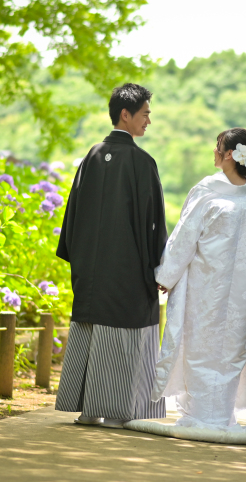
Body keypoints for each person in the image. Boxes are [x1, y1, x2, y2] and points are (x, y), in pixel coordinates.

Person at [54, 83, 168, 428]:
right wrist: (160, 269)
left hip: (90, 271)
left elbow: (71, 217)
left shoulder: (90, 156)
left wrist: (81, 260)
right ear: (126, 114)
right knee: (126, 335)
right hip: (128, 272)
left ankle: (89, 409)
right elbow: (154, 225)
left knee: (92, 329)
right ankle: (120, 412)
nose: (149, 121)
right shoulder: (142, 162)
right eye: (145, 114)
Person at [152, 128, 246, 432]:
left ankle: (213, 415)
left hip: (217, 287)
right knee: (214, 347)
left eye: (218, 147)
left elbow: (185, 237)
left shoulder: (224, 193)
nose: (214, 152)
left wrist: (168, 275)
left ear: (230, 154)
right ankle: (209, 415)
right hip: (224, 287)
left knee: (216, 346)